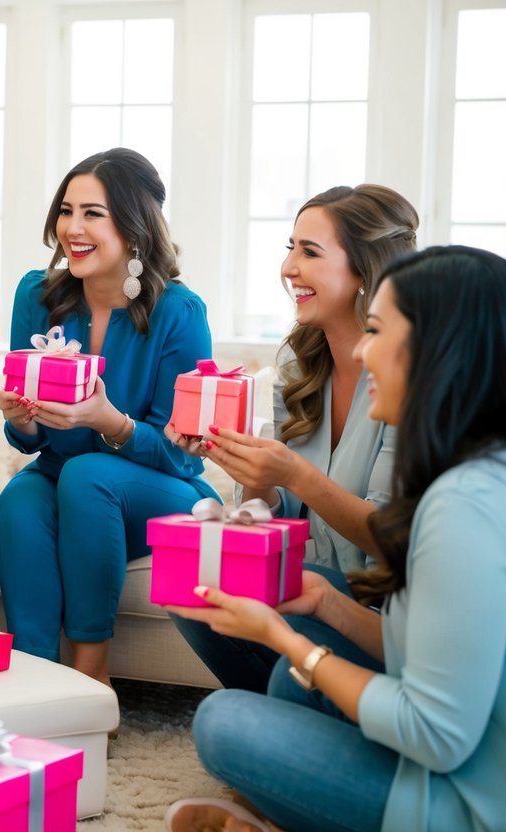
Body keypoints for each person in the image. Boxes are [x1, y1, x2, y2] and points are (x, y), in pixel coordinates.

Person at [166, 246, 506, 832]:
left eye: (376, 331)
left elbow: (434, 734)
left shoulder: (470, 507)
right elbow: (426, 657)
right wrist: (323, 603)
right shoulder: (486, 470)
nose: (360, 350)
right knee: (291, 684)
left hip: (491, 808)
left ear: (442, 351)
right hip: (481, 754)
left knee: (226, 721)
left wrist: (283, 637)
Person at [166, 184, 418, 692]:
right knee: (192, 586)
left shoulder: (408, 376)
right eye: (290, 248)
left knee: (284, 659)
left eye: (309, 252)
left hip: (371, 606)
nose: (288, 269)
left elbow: (392, 538)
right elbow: (272, 512)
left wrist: (294, 474)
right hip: (301, 583)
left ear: (365, 270)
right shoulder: (298, 364)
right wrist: (244, 467)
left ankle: (293, 701)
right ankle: (281, 703)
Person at [0, 147, 219, 686]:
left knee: (88, 473)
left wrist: (107, 420)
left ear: (134, 225)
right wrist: (21, 418)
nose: (72, 227)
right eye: (66, 211)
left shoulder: (178, 313)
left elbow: (184, 455)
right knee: (21, 496)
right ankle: (33, 675)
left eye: (92, 213)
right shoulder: (37, 295)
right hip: (63, 476)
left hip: (161, 490)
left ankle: (91, 670)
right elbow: (29, 443)